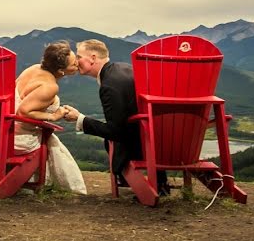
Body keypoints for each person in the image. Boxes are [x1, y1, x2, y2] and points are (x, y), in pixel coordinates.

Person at [62, 39, 169, 195]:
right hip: (160, 137)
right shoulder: (124, 68)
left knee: (109, 140)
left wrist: (79, 118)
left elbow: (115, 131)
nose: (76, 61)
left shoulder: (109, 85)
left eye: (79, 57)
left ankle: (132, 180)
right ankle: (159, 182)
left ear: (92, 58)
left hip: (143, 144)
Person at [12, 41, 87, 194]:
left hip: (5, 127)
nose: (78, 64)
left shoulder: (33, 69)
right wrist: (53, 116)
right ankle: (41, 183)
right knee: (53, 143)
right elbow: (23, 111)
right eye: (74, 63)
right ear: (61, 71)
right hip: (18, 136)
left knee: (53, 141)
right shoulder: (50, 86)